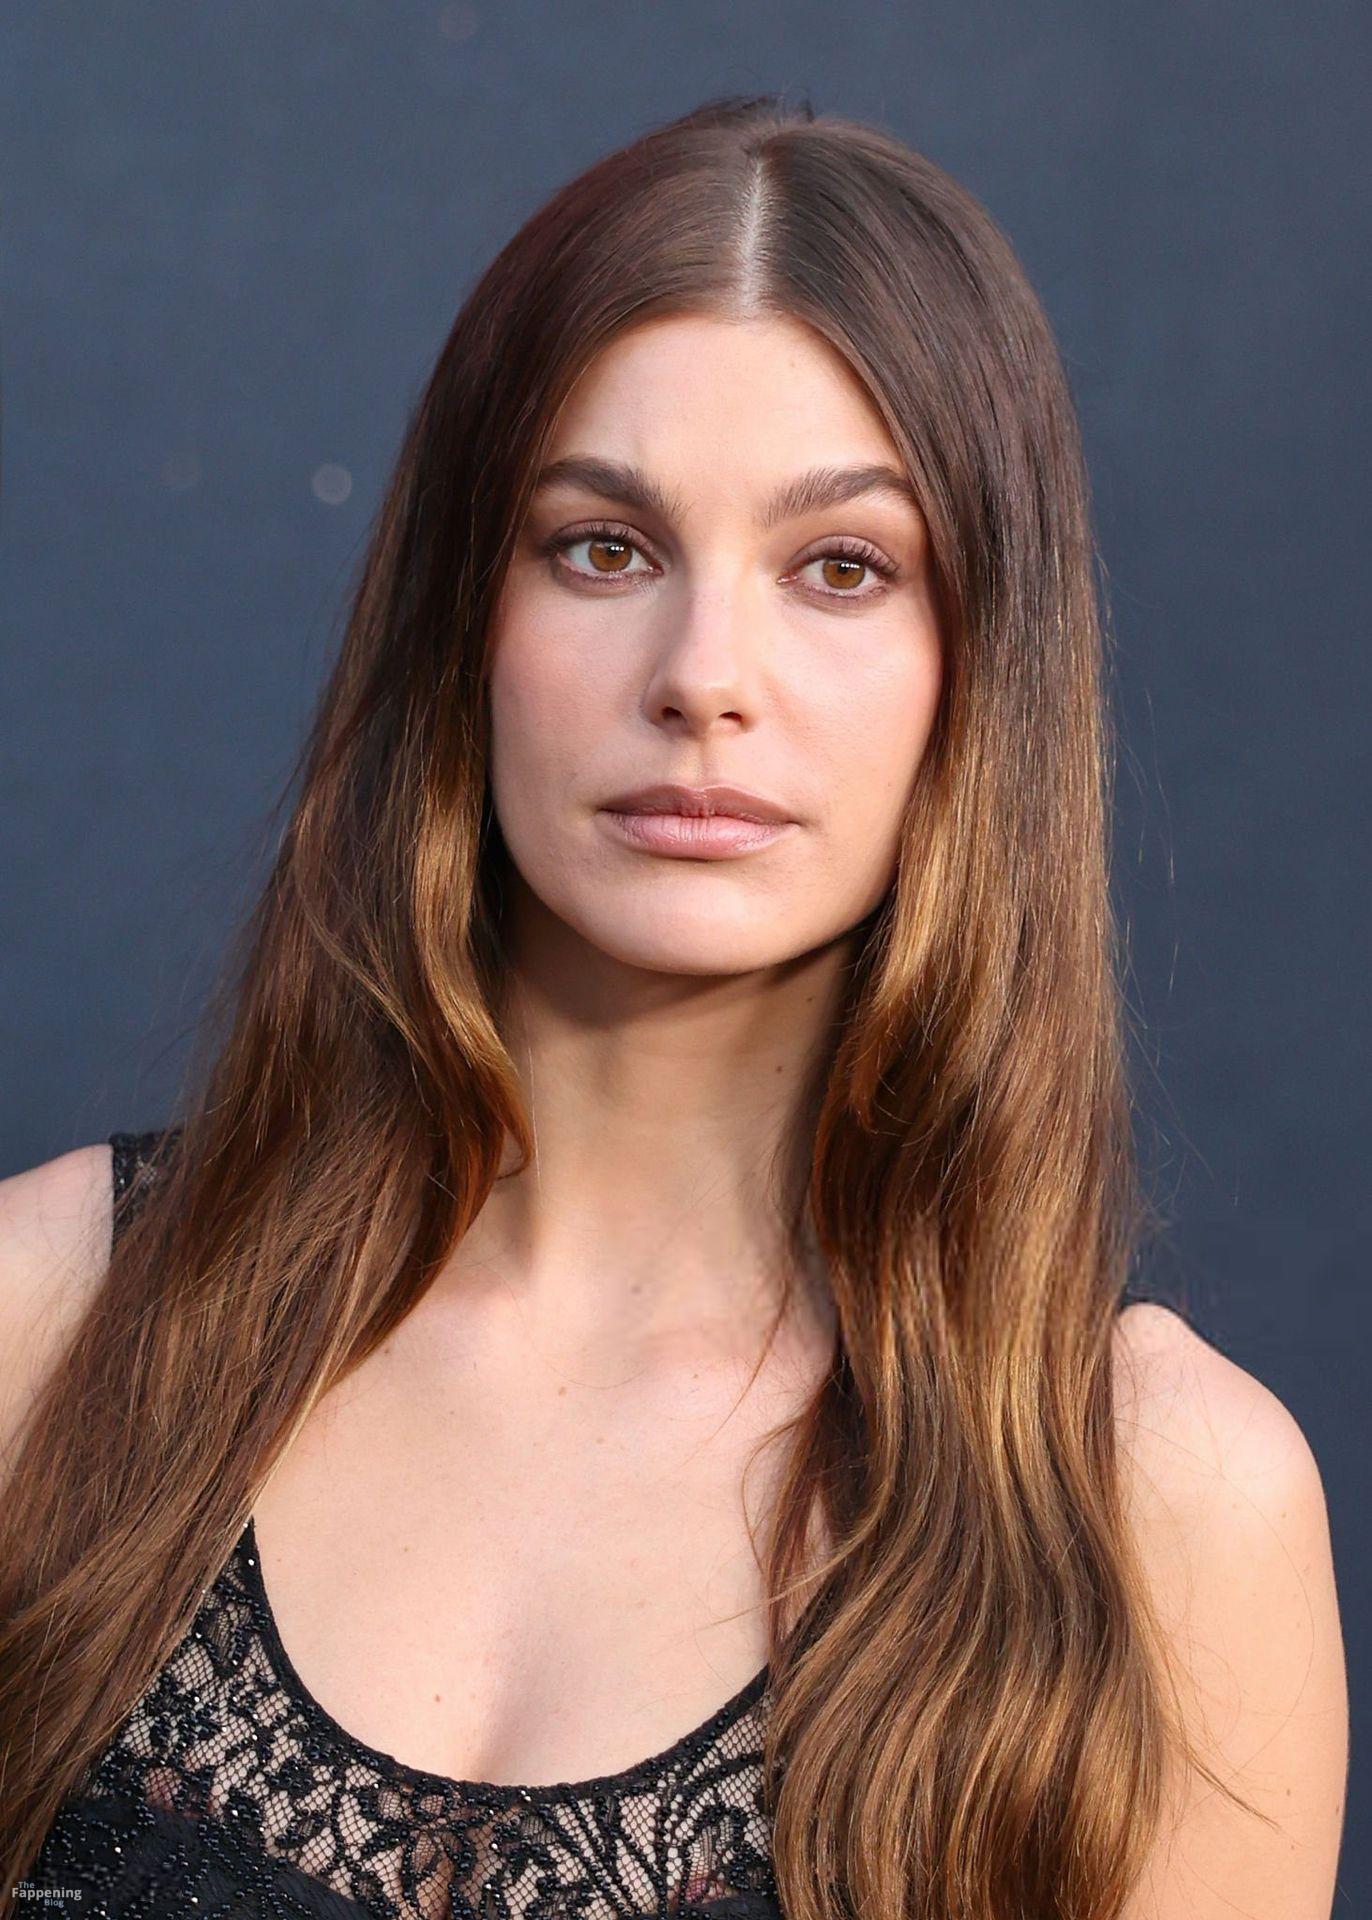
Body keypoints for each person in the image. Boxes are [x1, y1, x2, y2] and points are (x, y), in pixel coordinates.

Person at [0, 93, 1346, 1920]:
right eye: (602, 547)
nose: (705, 676)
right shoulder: (49, 1324)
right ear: (463, 618)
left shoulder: (1157, 1510)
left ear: (982, 671)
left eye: (842, 568)